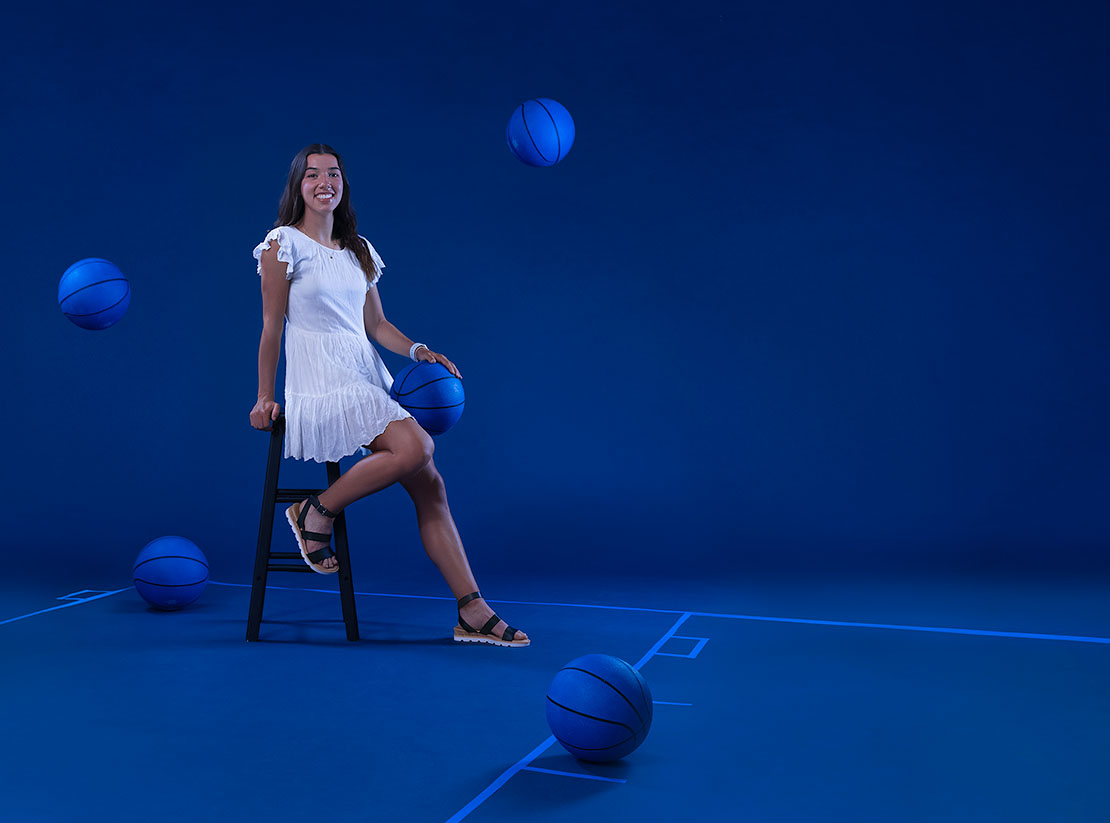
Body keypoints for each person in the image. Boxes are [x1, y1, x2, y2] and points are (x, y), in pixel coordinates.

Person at [249, 144, 528, 648]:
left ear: (343, 185)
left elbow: (375, 324)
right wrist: (264, 395)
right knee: (417, 447)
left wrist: (420, 350)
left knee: (432, 486)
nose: (323, 182)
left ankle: (472, 609)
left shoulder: (358, 248)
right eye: (312, 175)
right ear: (299, 186)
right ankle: (316, 510)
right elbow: (271, 326)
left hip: (364, 375)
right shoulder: (281, 244)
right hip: (321, 380)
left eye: (333, 173)